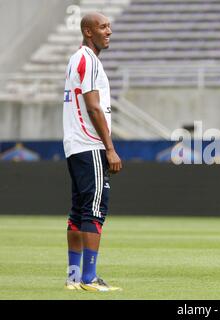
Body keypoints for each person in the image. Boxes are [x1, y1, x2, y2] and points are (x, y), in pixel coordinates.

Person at [63, 12, 123, 291]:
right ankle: (89, 278)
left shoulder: (79, 58)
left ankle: (74, 277)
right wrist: (109, 147)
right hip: (90, 143)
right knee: (94, 210)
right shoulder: (88, 59)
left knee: (78, 211)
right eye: (102, 26)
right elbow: (93, 106)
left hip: (75, 145)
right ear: (88, 32)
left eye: (109, 26)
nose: (108, 31)